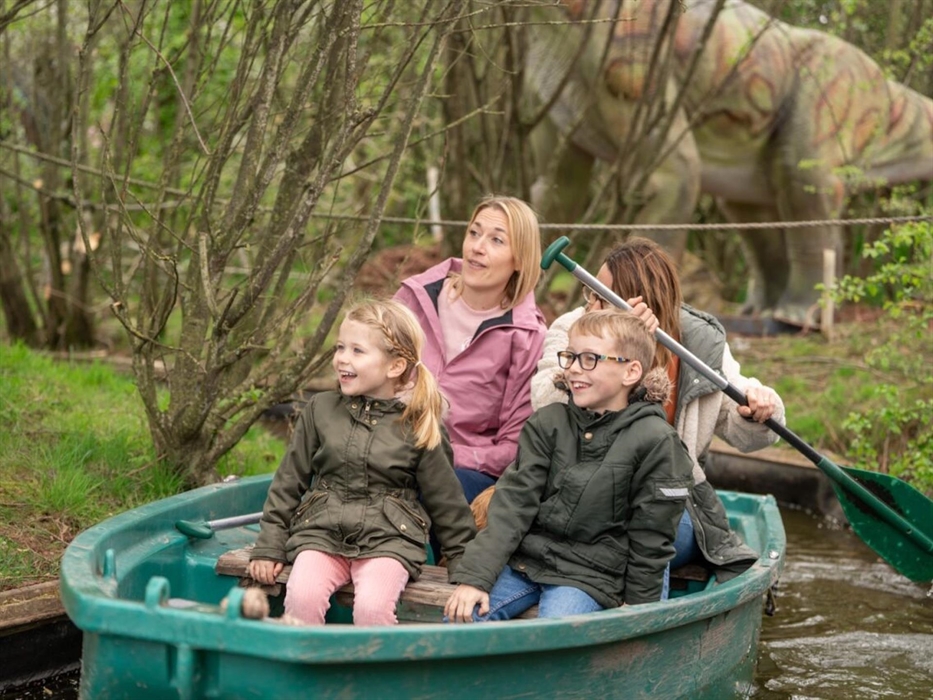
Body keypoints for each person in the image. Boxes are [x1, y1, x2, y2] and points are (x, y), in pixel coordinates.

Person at [531, 237, 785, 582]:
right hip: (579, 494)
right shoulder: (574, 328)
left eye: (601, 297)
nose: (590, 305)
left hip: (669, 498)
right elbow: (544, 399)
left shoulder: (700, 344)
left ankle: (638, 616)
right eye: (589, 293)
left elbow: (744, 432)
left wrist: (759, 408)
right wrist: (611, 355)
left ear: (644, 301)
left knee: (650, 528)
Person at [444, 309, 694, 622]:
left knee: (557, 634)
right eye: (571, 357)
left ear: (630, 372)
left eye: (589, 359)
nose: (574, 369)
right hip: (527, 563)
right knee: (462, 615)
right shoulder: (549, 423)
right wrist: (475, 579)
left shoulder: (656, 440)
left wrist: (638, 608)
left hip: (590, 574)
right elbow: (512, 506)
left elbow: (651, 537)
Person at [248, 299, 476, 626]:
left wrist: (467, 569)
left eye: (357, 351)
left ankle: (370, 675)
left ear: (395, 366)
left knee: (372, 607)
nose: (342, 358)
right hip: (321, 533)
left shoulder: (418, 423)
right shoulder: (320, 410)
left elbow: (447, 502)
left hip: (389, 541)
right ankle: (310, 672)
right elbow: (287, 484)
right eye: (340, 347)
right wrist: (269, 546)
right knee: (301, 595)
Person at [394, 195, 547, 504]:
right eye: (474, 233)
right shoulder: (414, 298)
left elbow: (516, 446)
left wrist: (442, 452)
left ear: (520, 259)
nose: (478, 247)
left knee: (432, 485)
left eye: (497, 240)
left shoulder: (528, 337)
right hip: (387, 445)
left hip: (463, 472)